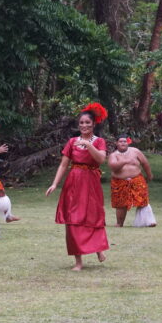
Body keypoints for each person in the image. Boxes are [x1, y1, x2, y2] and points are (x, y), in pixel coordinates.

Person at [45, 103, 110, 270]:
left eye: (87, 123)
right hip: (74, 182)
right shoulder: (72, 141)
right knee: (73, 219)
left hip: (91, 181)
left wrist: (88, 145)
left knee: (93, 216)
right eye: (81, 123)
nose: (84, 126)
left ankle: (98, 248)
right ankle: (78, 262)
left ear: (94, 124)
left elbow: (101, 160)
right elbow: (63, 165)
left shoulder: (99, 141)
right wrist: (54, 184)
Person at [107, 135, 155, 227]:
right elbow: (114, 167)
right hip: (119, 181)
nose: (123, 143)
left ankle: (148, 221)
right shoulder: (113, 155)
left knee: (143, 199)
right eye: (120, 141)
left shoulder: (135, 151)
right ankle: (119, 223)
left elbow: (145, 163)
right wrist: (124, 161)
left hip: (137, 179)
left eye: (125, 141)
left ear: (127, 142)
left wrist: (149, 175)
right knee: (120, 203)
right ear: (116, 143)